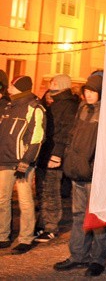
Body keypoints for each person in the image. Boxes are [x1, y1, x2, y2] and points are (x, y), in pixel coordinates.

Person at [54, 74, 106, 276]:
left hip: (94, 173)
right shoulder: (82, 109)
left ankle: (97, 259)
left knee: (96, 218)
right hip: (77, 171)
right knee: (78, 216)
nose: (89, 94)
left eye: (93, 91)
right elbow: (72, 137)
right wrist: (68, 158)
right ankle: (77, 255)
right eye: (86, 91)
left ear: (100, 92)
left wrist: (96, 165)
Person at [0, 75, 45, 254]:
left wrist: (26, 162)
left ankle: (26, 238)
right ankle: (2, 235)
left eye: (13, 84)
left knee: (25, 202)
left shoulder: (34, 108)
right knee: (2, 200)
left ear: (19, 87)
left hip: (21, 163)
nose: (9, 86)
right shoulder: (9, 106)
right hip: (4, 160)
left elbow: (37, 138)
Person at [34, 74, 79, 243]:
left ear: (60, 85)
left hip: (53, 155)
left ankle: (51, 227)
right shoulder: (55, 103)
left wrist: (57, 153)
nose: (49, 84)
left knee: (51, 190)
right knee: (43, 189)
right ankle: (43, 223)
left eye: (52, 82)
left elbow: (66, 132)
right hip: (46, 153)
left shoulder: (67, 106)